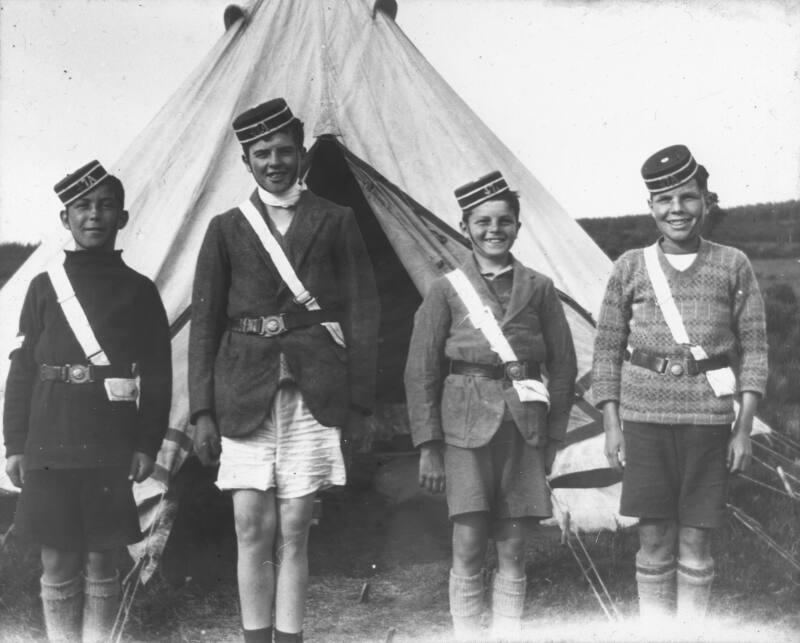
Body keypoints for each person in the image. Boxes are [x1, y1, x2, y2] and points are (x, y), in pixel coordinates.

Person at [189, 98, 379, 643]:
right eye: (262, 152)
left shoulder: (336, 220)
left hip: (313, 392)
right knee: (252, 528)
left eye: (285, 150)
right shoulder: (225, 228)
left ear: (302, 155)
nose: (275, 161)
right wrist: (202, 410)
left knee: (294, 531)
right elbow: (204, 326)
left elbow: (364, 312)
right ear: (246, 161)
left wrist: (361, 403)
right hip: (243, 393)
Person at [592, 145, 768, 623]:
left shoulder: (734, 264)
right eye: (664, 200)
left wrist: (742, 428)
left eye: (687, 197)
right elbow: (606, 350)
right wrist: (612, 425)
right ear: (651, 207)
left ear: (706, 201)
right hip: (644, 421)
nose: (677, 210)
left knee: (696, 538)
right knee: (654, 538)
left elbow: (754, 351)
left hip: (709, 422)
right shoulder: (629, 266)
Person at [3, 160, 172, 642]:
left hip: (108, 439)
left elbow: (158, 375)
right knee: (56, 556)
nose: (93, 215)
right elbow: (21, 371)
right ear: (65, 219)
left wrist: (147, 443)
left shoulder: (139, 290)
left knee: (102, 554)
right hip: (49, 439)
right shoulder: (43, 287)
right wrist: (15, 442)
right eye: (82, 207)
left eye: (105, 206)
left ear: (122, 217)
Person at [404, 171, 577, 639]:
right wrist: (428, 445)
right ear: (465, 227)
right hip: (463, 428)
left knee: (515, 545)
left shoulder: (539, 287)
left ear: (518, 227)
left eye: (504, 220)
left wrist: (554, 436)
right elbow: (420, 370)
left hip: (525, 428)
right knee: (468, 539)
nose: (493, 230)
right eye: (482, 222)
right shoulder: (445, 289)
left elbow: (563, 366)